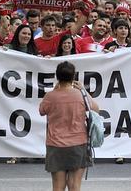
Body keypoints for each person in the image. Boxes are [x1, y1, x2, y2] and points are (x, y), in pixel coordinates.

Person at [40, 61, 99, 191]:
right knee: (74, 185)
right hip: (78, 143)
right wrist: (83, 90)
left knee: (58, 186)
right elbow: (95, 109)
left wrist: (54, 91)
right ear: (73, 77)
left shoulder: (50, 96)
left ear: (57, 77)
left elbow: (41, 111)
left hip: (55, 145)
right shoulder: (80, 95)